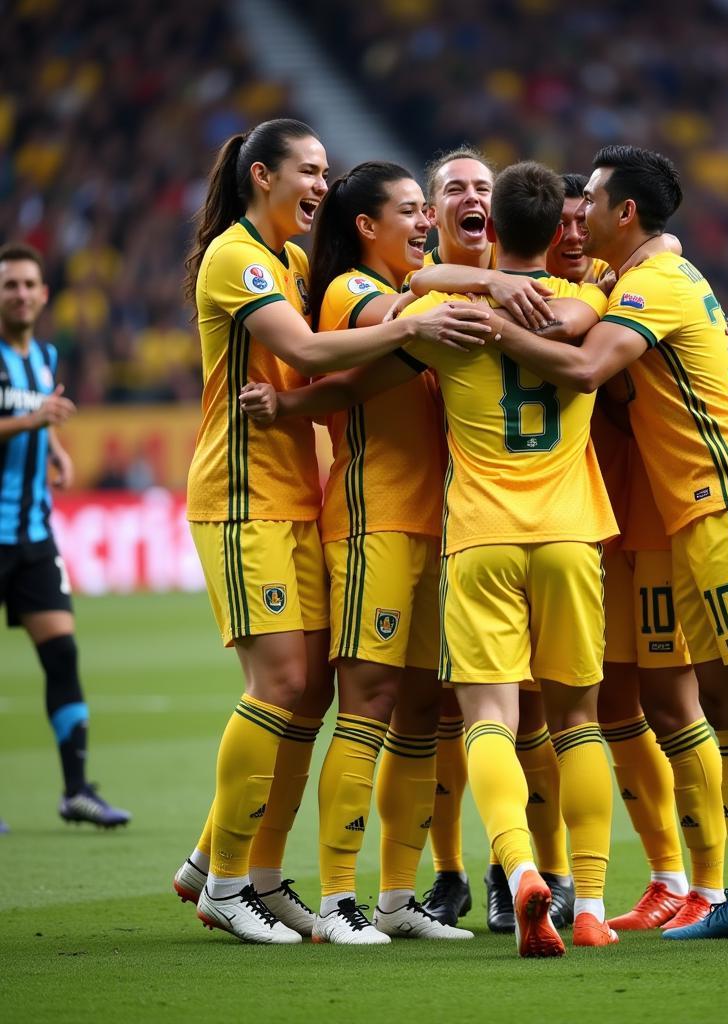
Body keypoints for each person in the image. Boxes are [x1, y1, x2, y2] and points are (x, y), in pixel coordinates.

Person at [482, 145, 728, 947]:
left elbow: (588, 367)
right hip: (695, 511)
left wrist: (492, 328)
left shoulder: (654, 284)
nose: (576, 213)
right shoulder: (646, 280)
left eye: (588, 199)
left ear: (625, 212)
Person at [247, 161, 620, 957]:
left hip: (473, 535)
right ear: (559, 232)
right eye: (426, 200)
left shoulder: (451, 315)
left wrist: (288, 401)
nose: (440, 213)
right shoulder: (590, 304)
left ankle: (496, 874)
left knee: (467, 718)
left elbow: (353, 380)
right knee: (548, 718)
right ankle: (579, 898)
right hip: (486, 528)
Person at [175, 118, 490, 946]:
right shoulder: (237, 257)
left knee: (310, 692)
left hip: (298, 495)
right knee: (285, 686)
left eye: (325, 173)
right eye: (307, 172)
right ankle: (231, 882)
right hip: (245, 497)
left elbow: (341, 377)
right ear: (261, 176)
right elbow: (314, 353)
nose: (319, 183)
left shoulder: (291, 262)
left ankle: (241, 868)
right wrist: (416, 324)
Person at [241, 160, 473, 944]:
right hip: (374, 521)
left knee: (422, 712)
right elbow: (393, 343)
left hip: (436, 528)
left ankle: (397, 898)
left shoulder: (418, 295)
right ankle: (338, 896)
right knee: (367, 701)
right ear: (367, 226)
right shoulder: (351, 293)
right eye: (409, 211)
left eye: (424, 211)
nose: (423, 223)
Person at [549, 175, 728, 932]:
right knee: (618, 700)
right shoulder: (517, 285)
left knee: (670, 698)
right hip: (592, 525)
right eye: (559, 221)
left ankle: (712, 885)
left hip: (656, 514)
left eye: (579, 217)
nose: (570, 233)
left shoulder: (617, 286)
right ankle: (665, 876)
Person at [409, 147, 573, 933]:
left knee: (509, 716)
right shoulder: (553, 298)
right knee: (443, 716)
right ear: (432, 213)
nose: (470, 197)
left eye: (482, 186)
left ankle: (523, 873)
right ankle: (449, 874)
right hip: (444, 523)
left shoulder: (453, 307)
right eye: (453, 189)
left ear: (494, 216)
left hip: (482, 528)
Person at [0, 241, 131, 830]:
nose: (21, 293)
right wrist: (35, 423)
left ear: (44, 294)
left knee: (62, 654)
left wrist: (52, 450)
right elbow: (29, 414)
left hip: (33, 537)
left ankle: (76, 790)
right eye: (10, 285)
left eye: (29, 284)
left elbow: (39, 413)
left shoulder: (46, 356)